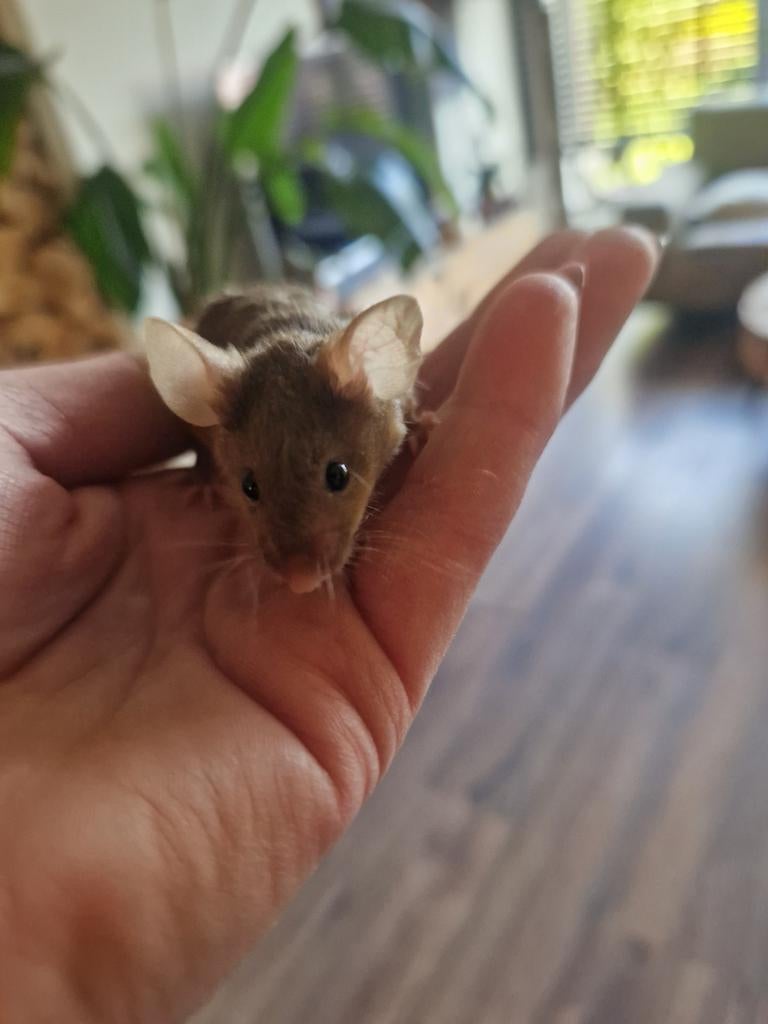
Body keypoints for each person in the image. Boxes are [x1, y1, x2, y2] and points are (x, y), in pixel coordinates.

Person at [0, 227, 657, 1021]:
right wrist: (219, 470)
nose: (297, 566)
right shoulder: (228, 404)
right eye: (250, 486)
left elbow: (388, 411)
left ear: (375, 378)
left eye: (335, 477)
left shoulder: (370, 398)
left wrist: (406, 420)